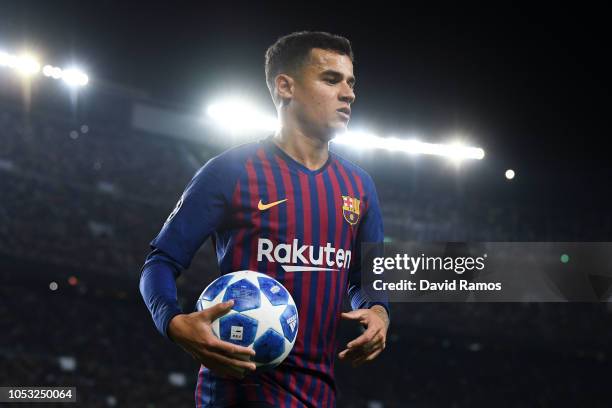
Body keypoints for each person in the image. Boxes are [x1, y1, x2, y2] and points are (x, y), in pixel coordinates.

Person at [139, 31, 390, 408]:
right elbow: (160, 261)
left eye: (351, 82)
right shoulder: (229, 171)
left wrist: (378, 311)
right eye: (331, 79)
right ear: (285, 86)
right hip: (240, 391)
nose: (349, 93)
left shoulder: (359, 186)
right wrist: (173, 322)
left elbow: (367, 278)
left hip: (321, 393)